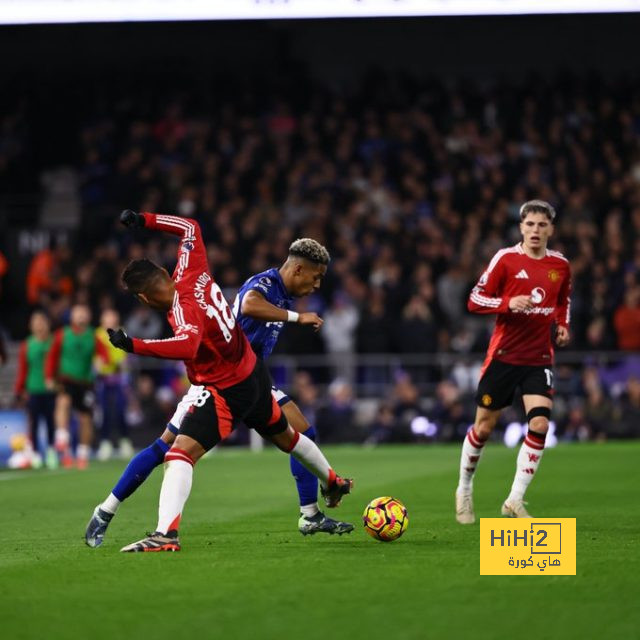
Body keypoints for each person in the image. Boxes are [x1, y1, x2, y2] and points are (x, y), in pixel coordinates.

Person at [87, 210, 352, 552]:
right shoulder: (192, 268)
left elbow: (188, 344)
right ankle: (330, 482)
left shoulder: (183, 312)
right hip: (253, 373)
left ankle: (164, 535)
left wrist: (133, 345)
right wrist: (144, 219)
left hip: (223, 388)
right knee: (290, 435)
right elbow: (189, 226)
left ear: (143, 299)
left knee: (176, 453)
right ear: (167, 271)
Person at [455, 200, 571, 523]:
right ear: (521, 227)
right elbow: (474, 300)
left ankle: (515, 499)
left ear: (551, 229)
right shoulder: (505, 259)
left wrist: (563, 327)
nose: (535, 231)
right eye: (530, 224)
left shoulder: (560, 265)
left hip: (538, 357)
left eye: (542, 225)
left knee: (540, 424)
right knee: (484, 427)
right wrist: (507, 303)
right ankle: (464, 487)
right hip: (504, 356)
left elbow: (563, 301)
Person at [233, 245, 354, 535]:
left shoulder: (282, 294)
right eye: (316, 277)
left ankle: (311, 514)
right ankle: (113, 508)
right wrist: (298, 317)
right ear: (298, 269)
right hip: (229, 377)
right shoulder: (265, 283)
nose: (317, 285)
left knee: (303, 433)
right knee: (174, 448)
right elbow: (248, 305)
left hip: (254, 377)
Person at [45, 304, 109, 469]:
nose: (81, 316)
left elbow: (104, 355)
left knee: (85, 418)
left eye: (84, 313)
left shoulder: (93, 336)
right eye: (78, 313)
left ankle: (82, 454)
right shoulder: (62, 334)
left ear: (88, 316)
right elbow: (52, 356)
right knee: (63, 402)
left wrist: (101, 362)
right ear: (71, 316)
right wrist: (49, 377)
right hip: (66, 379)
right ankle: (62, 438)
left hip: (85, 383)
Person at [14, 311, 58, 468]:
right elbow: (23, 369)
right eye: (36, 322)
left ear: (47, 324)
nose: (39, 325)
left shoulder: (54, 342)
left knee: (51, 422)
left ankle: (52, 451)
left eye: (42, 321)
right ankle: (35, 453)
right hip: (33, 388)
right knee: (34, 423)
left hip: (51, 390)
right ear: (30, 326)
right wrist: (19, 389)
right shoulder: (27, 344)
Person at [95, 308, 133, 461]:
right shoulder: (97, 335)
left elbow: (126, 356)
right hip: (103, 379)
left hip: (119, 380)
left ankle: (124, 441)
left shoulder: (122, 332)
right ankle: (105, 443)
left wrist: (121, 364)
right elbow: (95, 356)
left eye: (112, 316)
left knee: (120, 410)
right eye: (107, 317)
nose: (110, 319)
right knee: (104, 412)